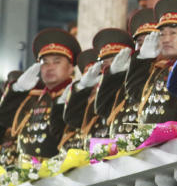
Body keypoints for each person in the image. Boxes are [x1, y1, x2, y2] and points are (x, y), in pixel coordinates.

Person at [119, 0, 177, 127]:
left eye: (173, 33)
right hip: (153, 140)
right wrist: (142, 59)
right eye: (162, 34)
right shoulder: (160, 69)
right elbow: (135, 94)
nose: (166, 39)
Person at [0, 29, 81, 161]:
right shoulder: (32, 99)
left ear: (71, 67)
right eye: (45, 63)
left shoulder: (77, 95)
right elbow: (4, 119)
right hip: (30, 171)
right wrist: (17, 89)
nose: (50, 67)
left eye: (57, 62)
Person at [63, 30, 133, 149]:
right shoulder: (99, 97)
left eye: (116, 61)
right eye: (106, 65)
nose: (111, 68)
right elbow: (72, 119)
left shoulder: (131, 88)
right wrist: (82, 87)